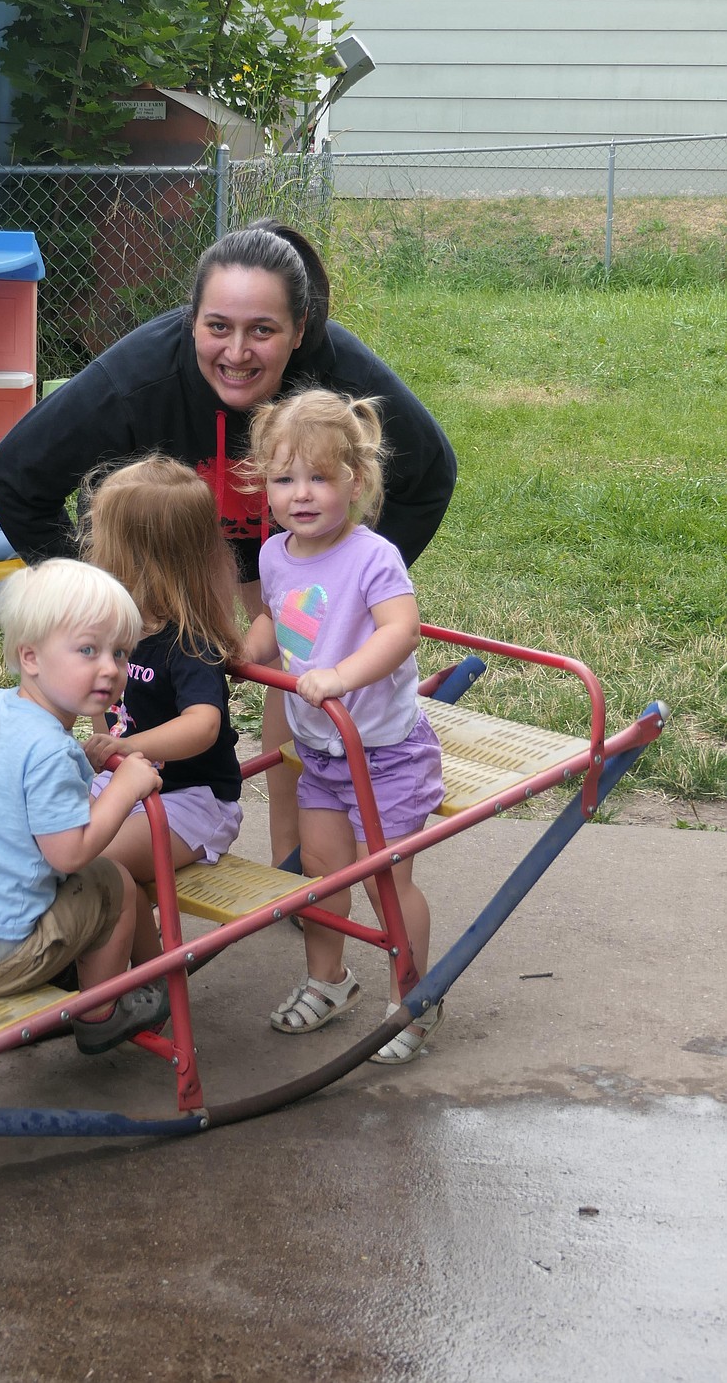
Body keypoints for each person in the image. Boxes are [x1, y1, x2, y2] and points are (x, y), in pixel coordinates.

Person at [0, 219, 456, 865]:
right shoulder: (140, 376)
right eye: (217, 326)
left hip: (289, 540)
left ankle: (300, 872)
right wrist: (93, 599)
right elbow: (13, 479)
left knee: (298, 652)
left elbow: (431, 474)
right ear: (191, 319)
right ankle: (120, 826)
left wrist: (345, 581)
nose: (237, 352)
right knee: (143, 676)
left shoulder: (336, 371)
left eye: (263, 329)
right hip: (177, 547)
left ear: (301, 328)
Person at [244, 388, 446, 1065]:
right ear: (265, 484)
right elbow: (277, 614)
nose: (301, 494)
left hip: (386, 751)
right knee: (324, 875)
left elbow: (400, 630)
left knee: (383, 878)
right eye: (284, 478)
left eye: (320, 477)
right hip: (324, 749)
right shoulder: (275, 553)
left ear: (354, 482)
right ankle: (328, 980)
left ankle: (413, 996)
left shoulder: (373, 556)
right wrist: (250, 650)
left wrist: (342, 675)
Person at [0, 558, 170, 1056]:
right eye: (88, 650)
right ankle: (100, 1012)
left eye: (119, 652)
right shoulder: (51, 750)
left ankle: (72, 969)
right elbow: (69, 855)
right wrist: (126, 785)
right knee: (113, 882)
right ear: (30, 657)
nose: (110, 668)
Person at [79, 455, 244, 959]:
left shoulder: (191, 642)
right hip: (125, 783)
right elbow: (102, 704)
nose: (93, 551)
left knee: (94, 861)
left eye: (104, 541)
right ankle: (96, 953)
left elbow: (202, 726)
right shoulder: (119, 630)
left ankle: (146, 976)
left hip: (192, 801)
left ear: (142, 556)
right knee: (44, 841)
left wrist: (127, 747)